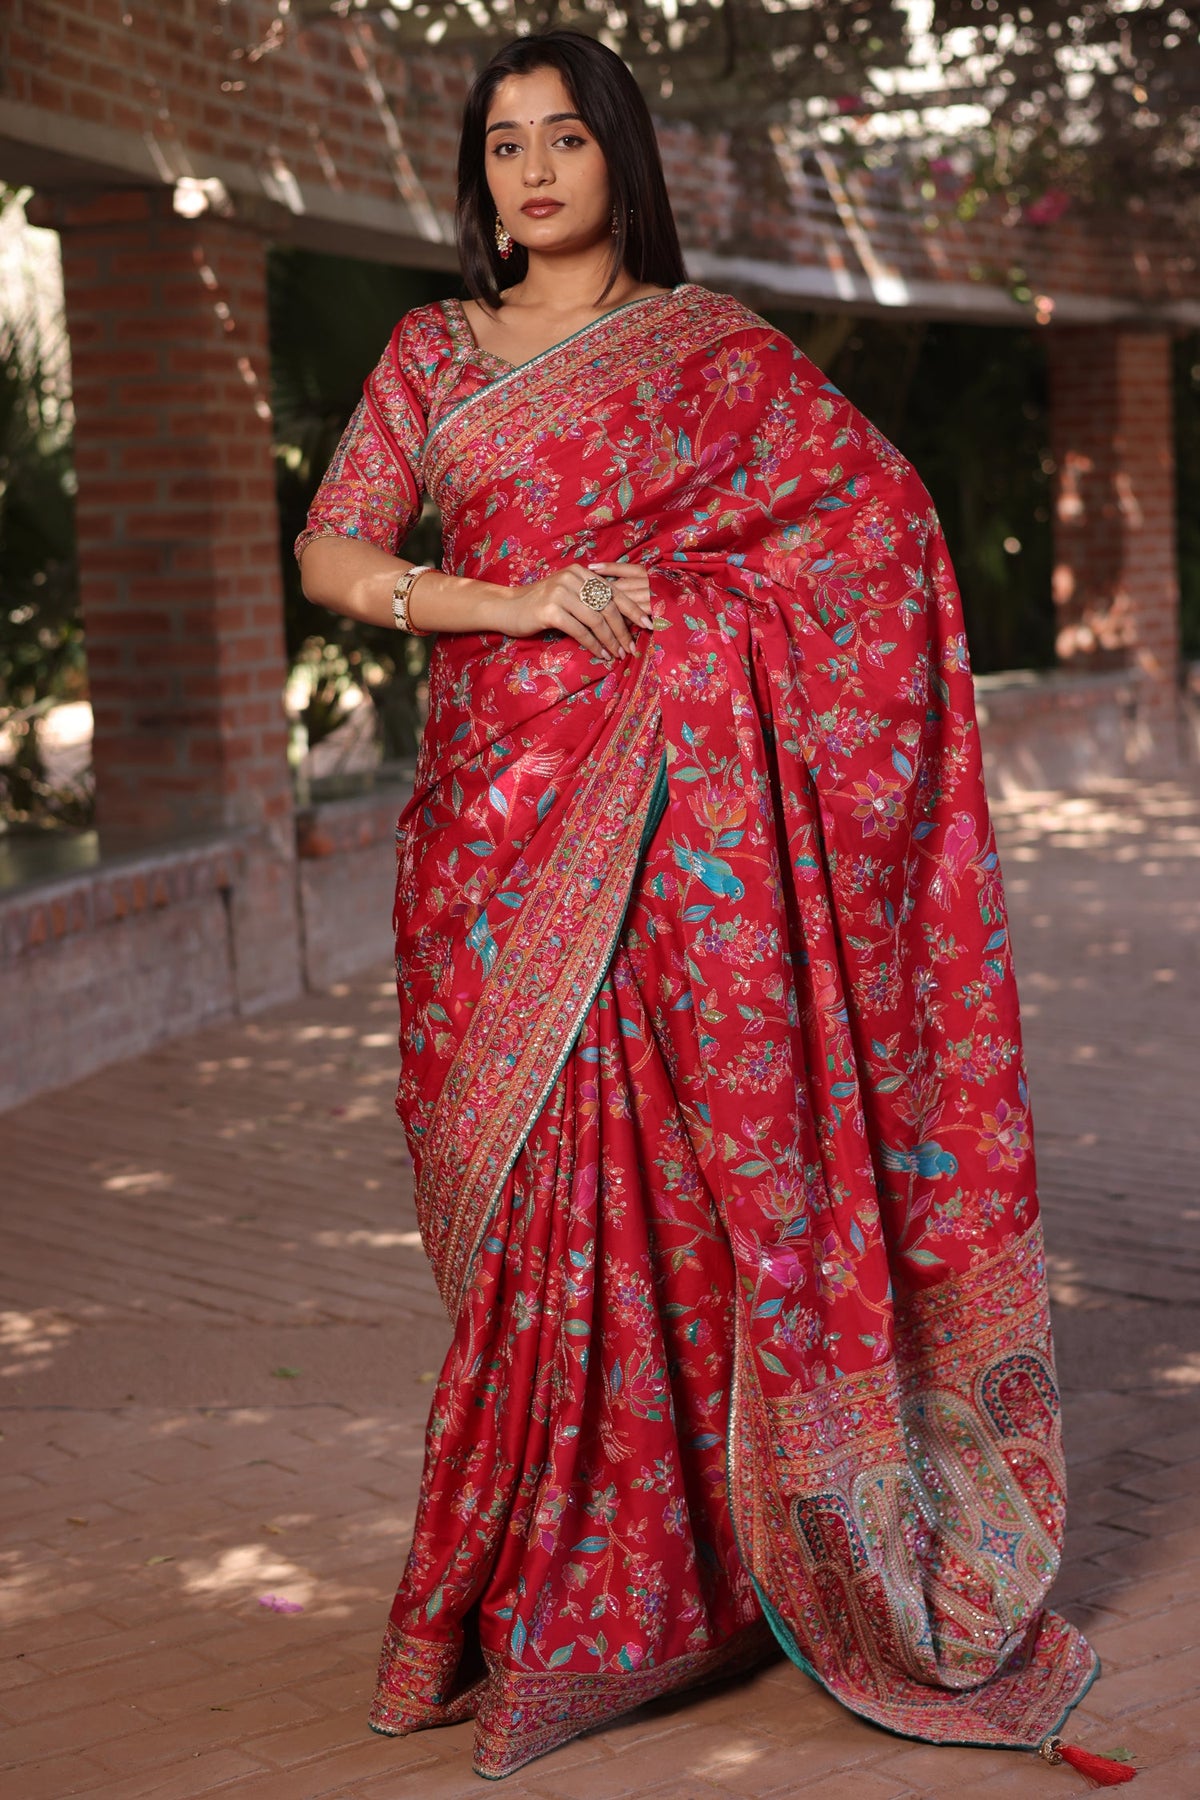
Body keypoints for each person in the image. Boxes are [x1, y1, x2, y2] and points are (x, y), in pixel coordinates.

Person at [297, 26, 1108, 1787]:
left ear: (619, 161)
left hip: (680, 839)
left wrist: (690, 617)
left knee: (670, 1194)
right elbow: (333, 546)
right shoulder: (429, 354)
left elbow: (877, 526)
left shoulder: (711, 351)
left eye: (563, 138)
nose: (529, 169)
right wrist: (509, 606)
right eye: (501, 141)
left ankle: (663, 1592)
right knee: (523, 1223)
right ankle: (524, 1587)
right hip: (492, 837)